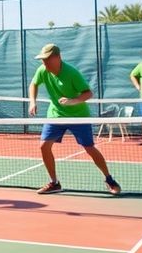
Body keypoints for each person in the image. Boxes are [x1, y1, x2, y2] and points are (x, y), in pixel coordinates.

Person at [29, 44, 121, 195]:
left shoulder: (72, 73)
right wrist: (33, 101)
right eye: (42, 60)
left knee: (89, 148)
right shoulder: (43, 70)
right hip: (56, 115)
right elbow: (34, 84)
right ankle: (54, 183)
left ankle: (109, 179)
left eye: (47, 59)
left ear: (58, 58)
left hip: (79, 116)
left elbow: (88, 93)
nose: (44, 63)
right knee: (44, 146)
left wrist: (73, 101)